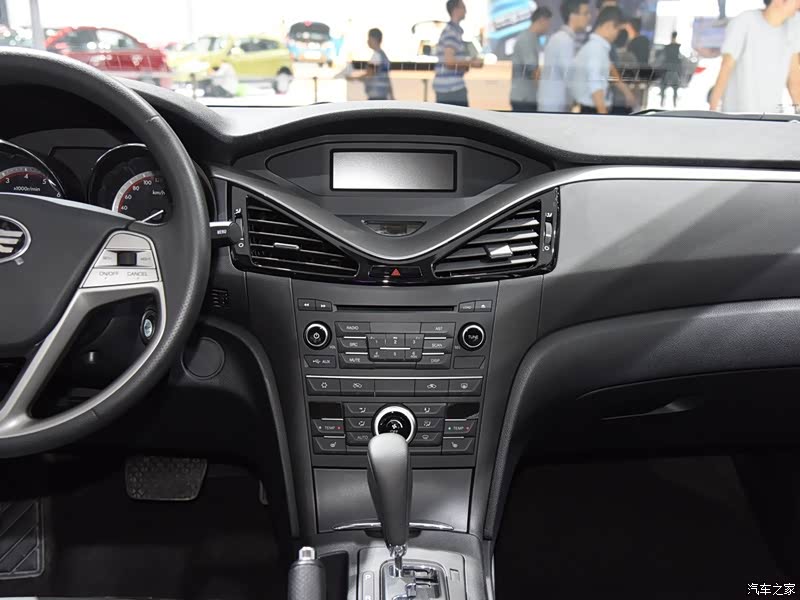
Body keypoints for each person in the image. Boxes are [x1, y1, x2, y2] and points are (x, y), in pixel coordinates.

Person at [709, 0, 800, 113]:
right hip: (738, 115)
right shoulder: (744, 21)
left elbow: (794, 79)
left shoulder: (792, 28)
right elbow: (725, 68)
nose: (799, 4)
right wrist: (713, 111)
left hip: (771, 117)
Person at [568, 5, 625, 114]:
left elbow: (610, 68)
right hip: (593, 110)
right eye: (617, 29)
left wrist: (626, 92)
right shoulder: (596, 49)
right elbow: (595, 87)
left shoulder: (598, 47)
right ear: (608, 25)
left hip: (592, 110)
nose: (617, 34)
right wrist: (603, 116)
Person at [538, 0, 591, 112]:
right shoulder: (564, 40)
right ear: (572, 16)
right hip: (554, 107)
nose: (589, 17)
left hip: (553, 104)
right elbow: (570, 76)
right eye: (585, 13)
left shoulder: (561, 37)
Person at [433, 0, 484, 107]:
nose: (466, 11)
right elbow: (449, 62)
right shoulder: (452, 32)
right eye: (463, 8)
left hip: (448, 88)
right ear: (456, 10)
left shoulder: (452, 31)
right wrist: (472, 63)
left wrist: (465, 65)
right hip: (451, 89)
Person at [509, 7, 553, 112]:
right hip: (523, 98)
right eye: (548, 23)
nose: (549, 27)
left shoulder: (533, 38)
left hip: (527, 97)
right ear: (542, 20)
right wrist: (544, 93)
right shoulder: (527, 39)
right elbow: (533, 69)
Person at [352, 28, 393, 100]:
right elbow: (386, 78)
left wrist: (352, 78)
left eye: (369, 38)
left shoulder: (376, 56)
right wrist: (392, 95)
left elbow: (369, 74)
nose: (367, 41)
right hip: (382, 95)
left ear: (374, 39)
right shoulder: (383, 56)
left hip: (376, 96)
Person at [659, 31, 682, 108]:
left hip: (667, 68)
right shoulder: (678, 46)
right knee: (675, 87)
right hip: (674, 69)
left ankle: (662, 102)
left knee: (663, 86)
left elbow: (663, 58)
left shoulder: (667, 47)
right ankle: (674, 103)